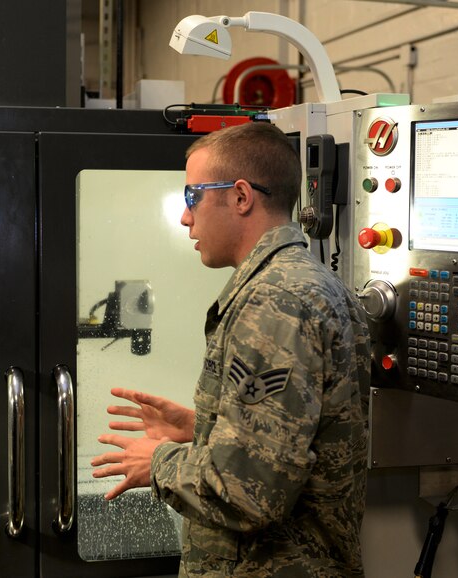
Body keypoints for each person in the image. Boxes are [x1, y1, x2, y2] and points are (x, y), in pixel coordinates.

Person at [91, 122, 371, 577]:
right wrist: (202, 426)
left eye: (191, 197)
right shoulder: (309, 283)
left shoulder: (275, 301)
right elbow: (292, 435)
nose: (186, 217)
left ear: (241, 197)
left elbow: (248, 491)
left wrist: (157, 462)